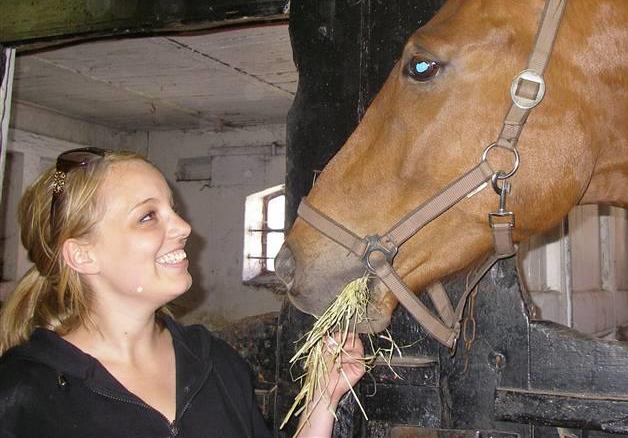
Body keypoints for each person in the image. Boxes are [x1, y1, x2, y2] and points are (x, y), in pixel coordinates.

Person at [0, 147, 364, 437]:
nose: (184, 227)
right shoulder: (24, 397)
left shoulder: (217, 363)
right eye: (148, 216)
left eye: (171, 209)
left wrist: (322, 400)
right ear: (83, 254)